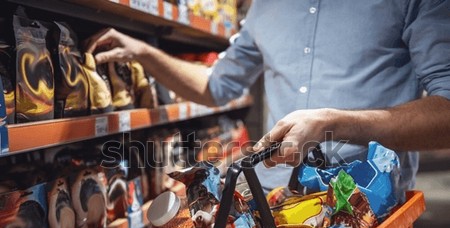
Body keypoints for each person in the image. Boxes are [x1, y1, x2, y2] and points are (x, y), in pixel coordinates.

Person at [85, 0, 450, 193]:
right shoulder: (266, 6)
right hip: (277, 205)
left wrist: (335, 123)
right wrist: (145, 53)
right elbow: (216, 87)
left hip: (368, 207)